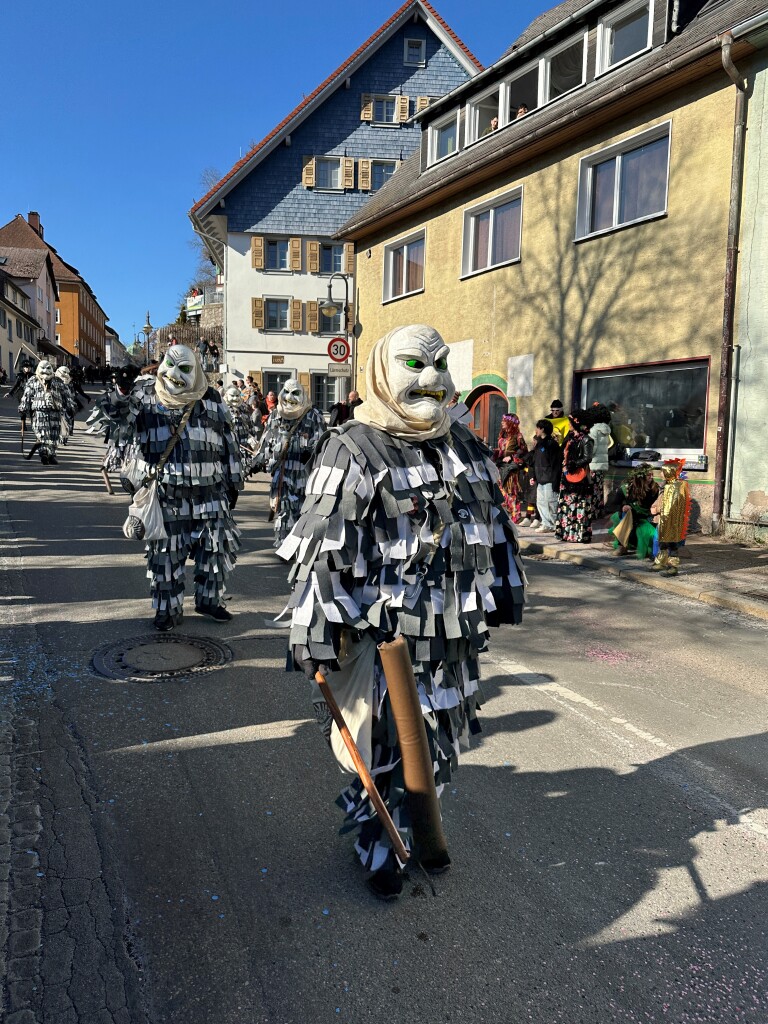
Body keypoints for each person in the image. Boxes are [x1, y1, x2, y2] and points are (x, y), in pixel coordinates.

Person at [278, 324, 526, 899]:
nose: (433, 379)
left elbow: (494, 525)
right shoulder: (352, 448)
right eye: (416, 364)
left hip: (452, 637)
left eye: (440, 365)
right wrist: (317, 632)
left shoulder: (465, 446)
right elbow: (322, 553)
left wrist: (507, 587)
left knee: (437, 742)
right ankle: (379, 846)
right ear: (384, 372)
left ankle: (422, 826)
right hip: (385, 642)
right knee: (385, 749)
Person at [100, 344, 243, 630]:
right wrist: (122, 392)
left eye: (185, 368)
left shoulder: (212, 399)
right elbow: (117, 424)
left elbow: (229, 443)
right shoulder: (145, 395)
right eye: (170, 364)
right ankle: (167, 609)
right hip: (167, 497)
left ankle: (209, 600)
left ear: (197, 372)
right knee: (166, 557)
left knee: (215, 551)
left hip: (211, 495)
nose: (174, 373)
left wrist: (233, 482)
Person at [254, 379, 325, 547]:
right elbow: (266, 440)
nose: (290, 397)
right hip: (283, 471)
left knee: (303, 508)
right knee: (284, 508)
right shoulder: (275, 414)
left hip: (304, 472)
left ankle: (300, 543)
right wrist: (256, 461)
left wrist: (310, 450)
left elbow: (322, 441)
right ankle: (284, 543)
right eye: (286, 391)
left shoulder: (313, 415)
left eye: (295, 393)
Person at [18, 360, 76, 465]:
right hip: (40, 412)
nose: (45, 371)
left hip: (55, 412)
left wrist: (70, 407)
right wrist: (23, 409)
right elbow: (26, 396)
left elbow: (66, 395)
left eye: (48, 368)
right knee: (42, 435)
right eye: (43, 368)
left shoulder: (57, 381)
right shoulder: (33, 380)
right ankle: (43, 454)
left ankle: (51, 454)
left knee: (54, 435)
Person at [554, 410, 595, 543]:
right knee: (567, 505)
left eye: (571, 422)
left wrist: (573, 464)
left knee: (579, 505)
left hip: (580, 478)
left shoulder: (587, 440)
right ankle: (566, 533)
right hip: (567, 476)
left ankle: (578, 534)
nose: (569, 425)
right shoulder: (570, 437)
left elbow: (587, 458)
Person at [649, 459, 691, 575]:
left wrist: (658, 510)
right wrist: (655, 508)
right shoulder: (665, 485)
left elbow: (673, 505)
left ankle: (672, 567)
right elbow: (661, 500)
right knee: (662, 542)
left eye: (663, 472)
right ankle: (660, 562)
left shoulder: (677, 486)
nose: (661, 474)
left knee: (672, 543)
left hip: (672, 520)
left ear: (669, 472)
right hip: (662, 519)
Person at [608, 464, 659, 559]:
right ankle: (622, 546)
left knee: (651, 539)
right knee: (626, 514)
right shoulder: (627, 488)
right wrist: (623, 506)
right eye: (649, 475)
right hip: (630, 516)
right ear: (641, 477)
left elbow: (657, 503)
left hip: (646, 516)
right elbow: (615, 503)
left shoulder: (654, 488)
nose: (651, 477)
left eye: (652, 474)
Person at [525, 420, 562, 532]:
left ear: (543, 429)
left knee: (551, 502)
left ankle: (555, 524)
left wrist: (555, 480)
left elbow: (556, 464)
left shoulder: (551, 444)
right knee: (541, 502)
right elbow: (535, 461)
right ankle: (546, 524)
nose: (536, 430)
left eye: (537, 428)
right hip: (540, 478)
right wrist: (533, 476)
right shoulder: (540, 443)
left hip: (550, 478)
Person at [494, 413, 528, 524]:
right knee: (500, 491)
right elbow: (500, 451)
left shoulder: (518, 436)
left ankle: (515, 515)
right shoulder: (502, 435)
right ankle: (503, 514)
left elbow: (523, 451)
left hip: (511, 469)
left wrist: (512, 457)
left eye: (504, 421)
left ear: (511, 423)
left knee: (511, 491)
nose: (501, 422)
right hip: (501, 467)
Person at [222, 384, 261, 477]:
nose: (235, 398)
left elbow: (250, 424)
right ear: (226, 396)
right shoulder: (222, 409)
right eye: (232, 395)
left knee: (242, 469)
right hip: (228, 445)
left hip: (243, 444)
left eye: (237, 395)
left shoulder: (244, 408)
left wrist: (252, 438)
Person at [588, 404, 612, 519]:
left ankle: (592, 512)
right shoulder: (605, 430)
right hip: (602, 464)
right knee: (599, 490)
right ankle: (598, 511)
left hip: (593, 464)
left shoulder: (593, 430)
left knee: (591, 490)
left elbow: (592, 449)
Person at [54, 365, 81, 444]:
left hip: (67, 404)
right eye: (63, 373)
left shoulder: (69, 383)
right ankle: (59, 436)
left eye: (66, 373)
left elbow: (72, 394)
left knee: (67, 420)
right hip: (57, 404)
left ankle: (65, 436)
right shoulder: (55, 382)